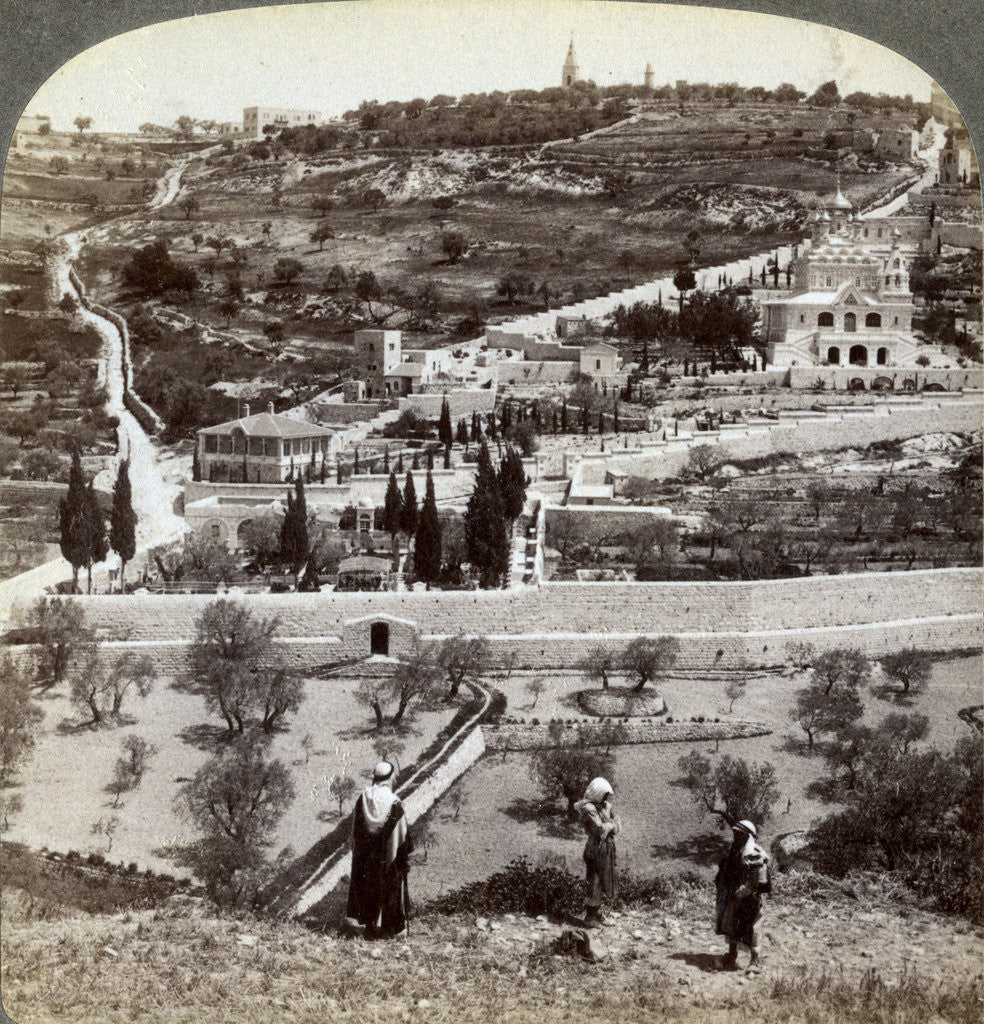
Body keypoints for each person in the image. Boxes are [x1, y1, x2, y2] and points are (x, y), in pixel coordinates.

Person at [345, 761, 413, 938]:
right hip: (386, 857)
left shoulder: (363, 799)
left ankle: (368, 926)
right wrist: (402, 854)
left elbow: (356, 830)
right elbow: (402, 833)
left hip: (366, 858)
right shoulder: (394, 803)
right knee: (390, 887)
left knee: (368, 888)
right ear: (389, 778)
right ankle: (389, 929)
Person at [714, 819, 772, 971]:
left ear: (748, 836)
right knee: (732, 924)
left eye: (739, 834)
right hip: (734, 897)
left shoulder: (755, 855)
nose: (735, 837)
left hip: (750, 899)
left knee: (754, 928)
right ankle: (732, 955)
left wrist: (741, 893)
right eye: (735, 834)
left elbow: (756, 882)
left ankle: (755, 961)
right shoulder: (734, 851)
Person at [573, 777, 621, 927]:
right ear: (598, 793)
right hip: (595, 849)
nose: (606, 798)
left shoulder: (605, 806)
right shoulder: (588, 808)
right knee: (594, 881)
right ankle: (589, 916)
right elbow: (599, 830)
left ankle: (598, 913)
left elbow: (618, 824)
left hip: (606, 848)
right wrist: (612, 825)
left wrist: (611, 825)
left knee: (604, 881)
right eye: (604, 794)